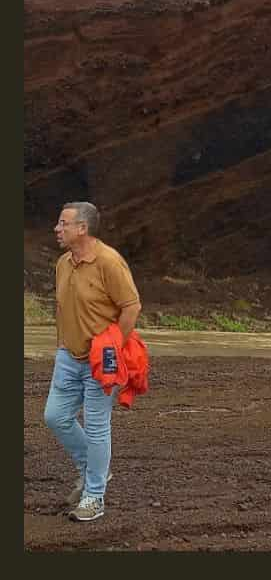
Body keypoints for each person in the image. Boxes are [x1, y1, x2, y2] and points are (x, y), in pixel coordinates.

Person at [44, 201, 141, 522]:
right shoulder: (63, 263)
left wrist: (112, 346)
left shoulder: (109, 262)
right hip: (68, 357)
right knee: (55, 417)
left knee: (98, 427)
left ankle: (94, 496)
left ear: (82, 228)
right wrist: (62, 343)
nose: (57, 229)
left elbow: (131, 307)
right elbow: (62, 307)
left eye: (63, 223)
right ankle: (94, 469)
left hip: (102, 361)